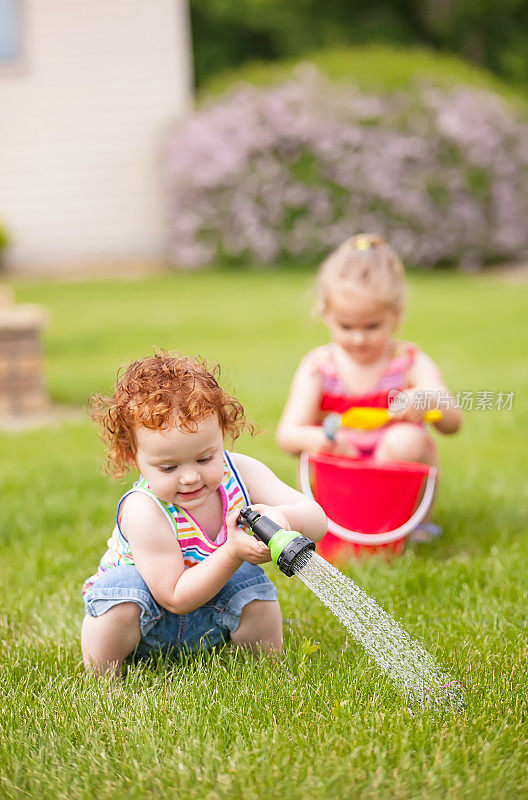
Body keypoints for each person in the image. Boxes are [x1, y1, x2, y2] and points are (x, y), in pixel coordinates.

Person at [81, 353, 326, 675]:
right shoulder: (144, 509)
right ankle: (103, 678)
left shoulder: (241, 472)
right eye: (169, 467)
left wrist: (288, 520)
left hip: (211, 618)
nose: (190, 477)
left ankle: (268, 670)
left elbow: (318, 520)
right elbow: (174, 598)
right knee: (122, 589)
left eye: (204, 458)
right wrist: (232, 552)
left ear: (222, 434)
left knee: (248, 579)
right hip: (146, 626)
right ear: (132, 457)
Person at [276, 233, 463, 537]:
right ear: (325, 314)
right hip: (342, 478)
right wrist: (318, 439)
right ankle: (347, 522)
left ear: (396, 315)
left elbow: (454, 423)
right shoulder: (319, 368)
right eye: (346, 326)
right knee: (336, 450)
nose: (359, 338)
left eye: (372, 326)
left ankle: (406, 524)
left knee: (406, 440)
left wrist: (429, 400)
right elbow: (288, 434)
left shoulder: (409, 362)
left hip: (397, 469)